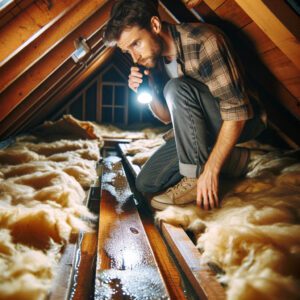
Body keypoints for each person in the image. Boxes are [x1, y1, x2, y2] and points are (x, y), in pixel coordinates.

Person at [102, 0, 266, 210]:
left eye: (136, 44)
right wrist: (147, 91)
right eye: (128, 51)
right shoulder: (154, 59)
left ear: (155, 25)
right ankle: (234, 160)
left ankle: (195, 176)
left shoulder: (204, 41)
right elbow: (168, 118)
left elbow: (238, 113)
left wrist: (210, 171)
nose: (135, 56)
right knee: (146, 182)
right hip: (198, 130)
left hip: (242, 121)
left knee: (174, 88)